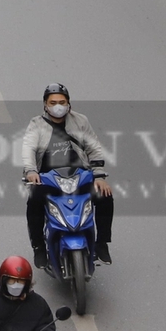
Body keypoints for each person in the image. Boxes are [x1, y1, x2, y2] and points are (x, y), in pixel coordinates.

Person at [18, 84, 114, 268]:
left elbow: (93, 147)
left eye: (62, 102)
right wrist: (31, 171)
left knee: (105, 196)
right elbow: (28, 147)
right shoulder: (36, 124)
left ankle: (101, 243)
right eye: (53, 102)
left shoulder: (80, 121)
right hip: (47, 177)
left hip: (80, 176)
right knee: (34, 201)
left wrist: (99, 176)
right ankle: (39, 246)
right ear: (45, 104)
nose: (58, 106)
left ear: (69, 103)